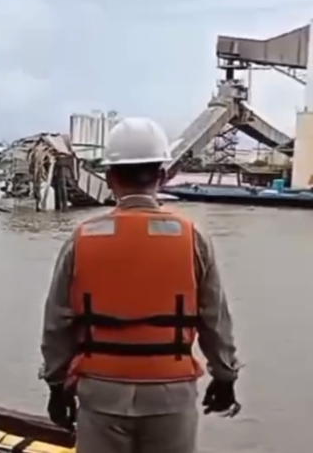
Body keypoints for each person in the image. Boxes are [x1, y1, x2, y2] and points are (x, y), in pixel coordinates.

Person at [40, 117, 241, 453]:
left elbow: (57, 323)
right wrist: (225, 376)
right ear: (164, 176)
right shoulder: (193, 239)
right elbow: (214, 319)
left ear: (109, 177)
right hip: (171, 394)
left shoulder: (82, 239)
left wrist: (56, 385)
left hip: (101, 391)